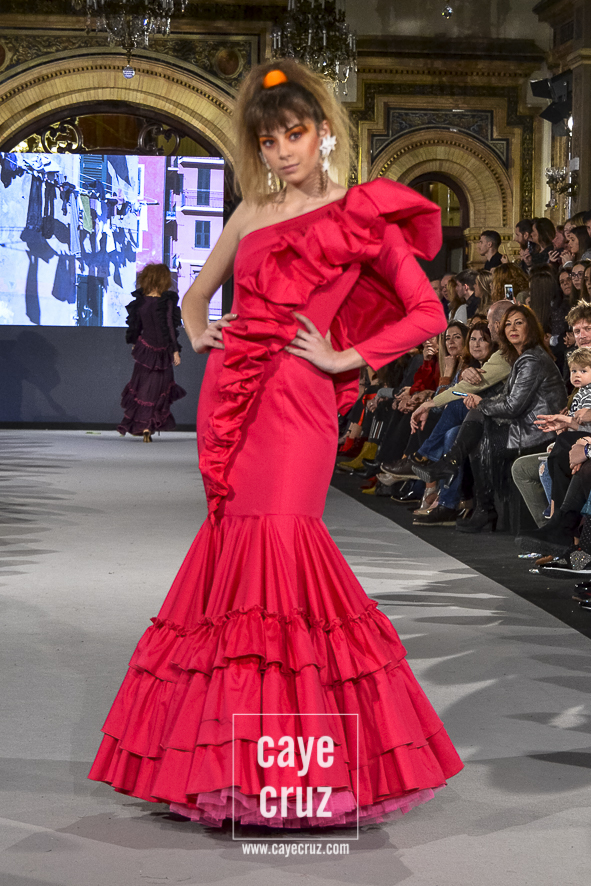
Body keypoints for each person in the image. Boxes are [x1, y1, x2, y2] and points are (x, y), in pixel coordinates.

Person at [88, 60, 462, 828]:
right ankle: (232, 764)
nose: (281, 150)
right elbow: (195, 297)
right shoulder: (252, 211)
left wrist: (344, 355)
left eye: (293, 134)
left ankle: (293, 765)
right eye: (267, 140)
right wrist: (203, 334)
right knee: (234, 560)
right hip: (233, 398)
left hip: (298, 402)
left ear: (322, 133)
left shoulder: (358, 215)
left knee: (284, 553)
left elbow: (426, 312)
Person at [415, 305, 566, 533]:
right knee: (475, 421)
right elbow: (505, 397)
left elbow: (512, 406)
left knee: (477, 426)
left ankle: (469, 489)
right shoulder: (521, 356)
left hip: (539, 430)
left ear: (531, 328)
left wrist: (481, 403)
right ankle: (466, 486)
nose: (512, 328)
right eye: (508, 324)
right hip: (528, 425)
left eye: (518, 323)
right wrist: (478, 399)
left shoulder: (531, 359)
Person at [117, 263, 186, 442]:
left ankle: (143, 425)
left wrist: (135, 343)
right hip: (161, 351)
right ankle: (147, 426)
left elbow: (136, 326)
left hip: (145, 349)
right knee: (158, 389)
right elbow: (170, 327)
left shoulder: (141, 302)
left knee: (142, 388)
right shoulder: (166, 301)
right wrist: (175, 350)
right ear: (163, 280)